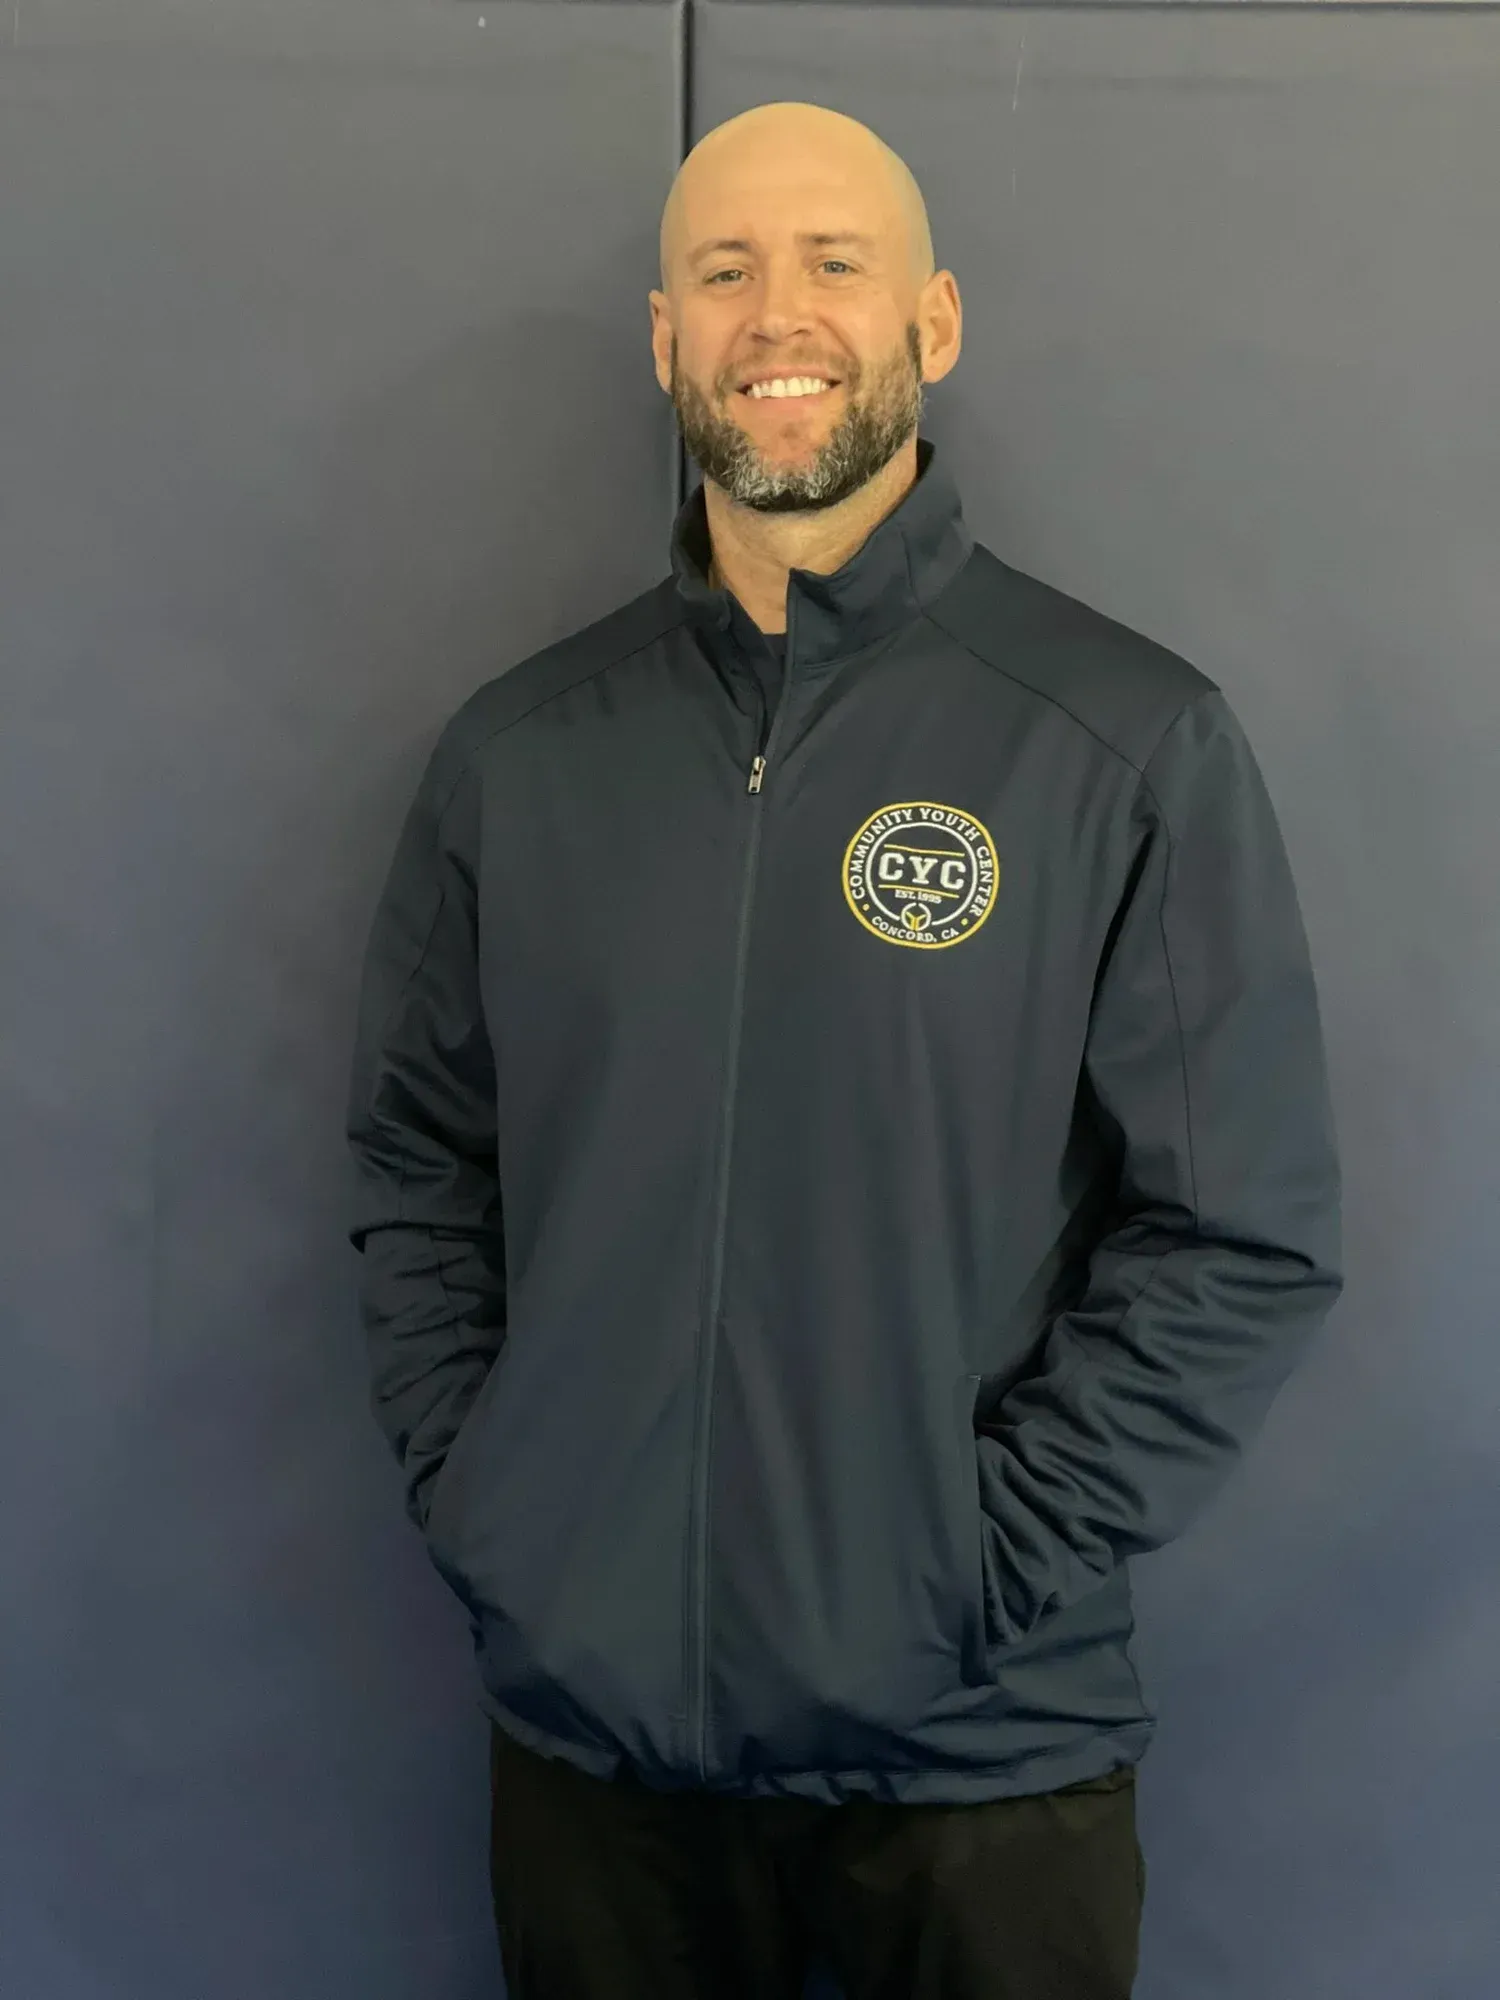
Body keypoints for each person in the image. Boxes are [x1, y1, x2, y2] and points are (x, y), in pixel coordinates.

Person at [346, 99, 1343, 2000]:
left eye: (832, 263)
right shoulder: (521, 757)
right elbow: (416, 1161)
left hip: (982, 1771)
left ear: (932, 322)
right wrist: (506, 1505)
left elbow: (1241, 1233)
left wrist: (977, 1568)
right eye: (723, 271)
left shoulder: (1120, 744)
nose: (774, 313)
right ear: (663, 337)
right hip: (599, 1771)